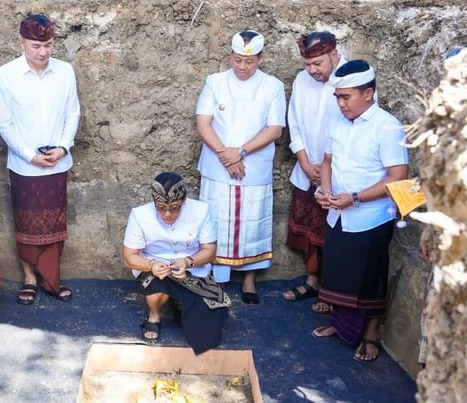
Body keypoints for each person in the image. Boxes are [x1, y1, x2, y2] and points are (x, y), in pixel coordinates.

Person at [310, 60, 409, 362]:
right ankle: (340, 327)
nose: (340, 104)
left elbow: (398, 178)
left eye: (346, 97)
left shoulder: (387, 126)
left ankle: (371, 335)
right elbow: (327, 162)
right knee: (339, 272)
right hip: (338, 212)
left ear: (368, 94)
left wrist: (354, 198)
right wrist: (325, 191)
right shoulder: (337, 122)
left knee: (368, 278)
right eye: (337, 97)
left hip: (371, 217)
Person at [0, 14, 80, 305]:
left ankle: (51, 277)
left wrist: (64, 148)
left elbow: (73, 113)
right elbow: (4, 124)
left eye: (48, 45)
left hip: (57, 162)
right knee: (27, 223)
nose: (43, 52)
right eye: (35, 46)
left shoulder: (65, 71)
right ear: (21, 43)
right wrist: (29, 155)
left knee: (55, 223)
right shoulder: (5, 75)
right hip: (24, 165)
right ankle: (30, 277)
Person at [195, 30, 286, 305]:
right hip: (218, 163)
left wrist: (241, 152)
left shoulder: (273, 86)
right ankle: (216, 278)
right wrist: (226, 155)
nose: (242, 67)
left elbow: (275, 129)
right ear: (230, 56)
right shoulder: (215, 82)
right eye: (237, 60)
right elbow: (203, 122)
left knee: (251, 223)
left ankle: (249, 279)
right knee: (217, 220)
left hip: (253, 165)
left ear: (260, 58)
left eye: (249, 62)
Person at [122, 172, 230, 354]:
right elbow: (129, 257)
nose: (168, 214)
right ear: (154, 201)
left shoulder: (201, 211)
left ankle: (180, 303)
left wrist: (189, 261)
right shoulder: (140, 215)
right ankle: (154, 316)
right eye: (161, 208)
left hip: (192, 268)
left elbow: (210, 251)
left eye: (174, 207)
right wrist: (151, 265)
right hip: (154, 268)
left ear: (184, 200)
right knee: (158, 288)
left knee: (208, 333)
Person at [283, 32, 345, 314]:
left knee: (331, 235)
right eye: (308, 64)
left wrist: (327, 169)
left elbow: (352, 128)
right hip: (306, 168)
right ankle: (312, 281)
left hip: (337, 173)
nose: (312, 70)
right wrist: (306, 163)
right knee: (308, 233)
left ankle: (332, 291)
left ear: (334, 54)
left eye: (317, 63)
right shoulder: (301, 80)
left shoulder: (350, 80)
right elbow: (294, 122)